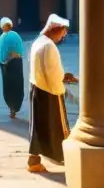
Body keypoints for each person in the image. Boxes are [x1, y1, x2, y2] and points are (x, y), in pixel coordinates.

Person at [27, 14, 72, 173]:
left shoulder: (38, 42)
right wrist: (61, 90)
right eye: (62, 32)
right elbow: (52, 73)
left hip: (37, 88)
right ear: (55, 30)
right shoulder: (49, 46)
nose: (62, 36)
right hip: (49, 91)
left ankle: (34, 159)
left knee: (38, 127)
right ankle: (65, 157)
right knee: (54, 127)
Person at [0, 17, 25, 119]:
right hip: (17, 64)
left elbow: (1, 54)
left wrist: (1, 61)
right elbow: (21, 51)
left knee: (9, 87)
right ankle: (15, 108)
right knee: (17, 86)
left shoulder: (3, 37)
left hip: (7, 66)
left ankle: (12, 109)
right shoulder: (16, 35)